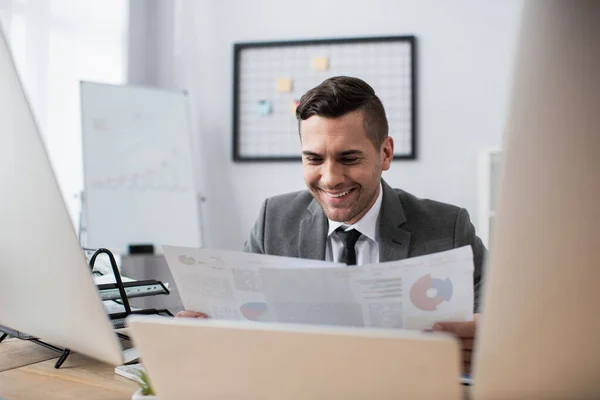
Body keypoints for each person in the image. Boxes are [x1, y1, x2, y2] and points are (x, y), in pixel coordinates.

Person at [178, 76, 486, 373]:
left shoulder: (448, 227)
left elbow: (507, 322)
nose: (330, 179)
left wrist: (489, 335)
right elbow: (243, 321)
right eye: (313, 159)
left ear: (386, 153)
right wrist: (210, 330)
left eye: (349, 158)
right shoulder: (274, 219)